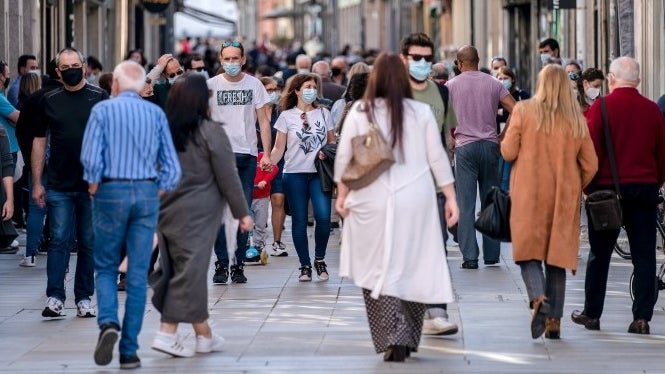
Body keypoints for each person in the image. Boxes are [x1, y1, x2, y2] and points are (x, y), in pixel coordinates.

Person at [334, 51, 459, 362]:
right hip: (417, 197)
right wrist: (451, 197)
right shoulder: (420, 112)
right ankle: (407, 334)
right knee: (412, 265)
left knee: (377, 266)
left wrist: (341, 193)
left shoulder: (361, 111)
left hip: (370, 200)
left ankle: (393, 332)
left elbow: (344, 157)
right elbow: (437, 157)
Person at [80, 60, 181, 369]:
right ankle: (129, 350)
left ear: (114, 85)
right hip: (146, 192)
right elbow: (173, 167)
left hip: (111, 191)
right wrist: (158, 189)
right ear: (141, 87)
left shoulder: (102, 111)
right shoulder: (154, 113)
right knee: (138, 274)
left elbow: (89, 157)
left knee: (107, 266)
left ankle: (108, 321)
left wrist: (95, 186)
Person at [151, 73, 251, 358]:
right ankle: (167, 332)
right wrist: (242, 213)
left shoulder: (162, 131)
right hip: (200, 213)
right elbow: (228, 176)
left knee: (179, 270)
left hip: (166, 211)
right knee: (188, 273)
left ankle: (204, 334)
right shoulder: (210, 131)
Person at [501, 64, 598, 340]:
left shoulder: (523, 111)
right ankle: (554, 321)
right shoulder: (576, 119)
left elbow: (508, 152)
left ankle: (537, 298)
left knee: (528, 254)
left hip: (528, 195)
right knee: (556, 259)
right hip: (563, 198)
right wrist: (574, 183)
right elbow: (591, 164)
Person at [572, 57, 665, 335]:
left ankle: (592, 313)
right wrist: (654, 183)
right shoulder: (652, 110)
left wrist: (589, 189)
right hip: (644, 190)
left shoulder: (600, 109)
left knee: (600, 255)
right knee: (645, 256)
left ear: (611, 79)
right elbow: (662, 156)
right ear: (637, 80)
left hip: (605, 191)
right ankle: (642, 317)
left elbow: (588, 152)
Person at [33, 47, 109, 319]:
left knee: (89, 243)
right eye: (65, 67)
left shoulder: (99, 97)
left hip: (92, 185)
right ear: (58, 72)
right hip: (59, 184)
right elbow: (40, 141)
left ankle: (84, 298)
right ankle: (54, 296)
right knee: (59, 241)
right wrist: (37, 181)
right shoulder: (49, 99)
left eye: (75, 65)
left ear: (85, 66)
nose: (71, 70)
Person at [399, 32, 459, 336]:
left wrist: (451, 193)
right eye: (416, 58)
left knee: (436, 246)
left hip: (433, 184)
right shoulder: (391, 93)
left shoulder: (442, 92)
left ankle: (437, 312)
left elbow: (446, 140)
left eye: (426, 58)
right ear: (403, 59)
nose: (422, 63)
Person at [207, 40, 273, 284]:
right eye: (228, 59)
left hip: (246, 156)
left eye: (236, 58)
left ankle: (238, 264)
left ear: (244, 60)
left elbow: (264, 122)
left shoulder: (254, 84)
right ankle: (222, 264)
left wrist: (265, 153)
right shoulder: (210, 86)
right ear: (220, 60)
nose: (232, 63)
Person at [445, 45, 516, 269]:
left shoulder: (451, 86)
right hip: (490, 145)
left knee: (465, 204)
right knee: (490, 200)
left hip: (465, 148)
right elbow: (516, 109)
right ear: (478, 60)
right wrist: (503, 135)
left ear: (459, 63)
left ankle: (470, 257)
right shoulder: (494, 83)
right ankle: (492, 254)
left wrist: (451, 138)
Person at [270, 73, 335, 282]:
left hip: (319, 173)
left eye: (314, 87)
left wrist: (326, 150)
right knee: (298, 220)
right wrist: (269, 161)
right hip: (294, 173)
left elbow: (332, 142)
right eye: (307, 86)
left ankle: (320, 259)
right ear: (297, 90)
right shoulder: (286, 116)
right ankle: (304, 265)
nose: (311, 90)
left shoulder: (324, 113)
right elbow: (279, 147)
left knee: (323, 218)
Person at [15, 59, 61, 266]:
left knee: (36, 207)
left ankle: (30, 254)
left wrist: (29, 156)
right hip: (63, 161)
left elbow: (21, 130)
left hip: (37, 160)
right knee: (63, 205)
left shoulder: (34, 99)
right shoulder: (68, 97)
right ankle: (58, 249)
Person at [259, 77, 288, 257]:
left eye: (275, 89)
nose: (273, 93)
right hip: (256, 163)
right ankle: (256, 242)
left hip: (279, 161)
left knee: (278, 199)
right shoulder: (253, 111)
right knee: (257, 204)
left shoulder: (281, 112)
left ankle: (276, 242)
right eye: (269, 90)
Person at [495, 66, 530, 191]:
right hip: (497, 142)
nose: (503, 81)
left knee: (507, 177)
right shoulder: (494, 97)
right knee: (497, 177)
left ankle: (505, 205)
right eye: (500, 78)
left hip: (516, 141)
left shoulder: (521, 95)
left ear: (513, 80)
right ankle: (500, 203)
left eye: (506, 78)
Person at [250, 151, 278, 261]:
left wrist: (265, 181)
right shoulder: (244, 157)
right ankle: (247, 245)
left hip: (261, 196)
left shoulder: (262, 156)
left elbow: (274, 168)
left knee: (260, 223)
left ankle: (258, 246)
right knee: (247, 223)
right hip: (247, 195)